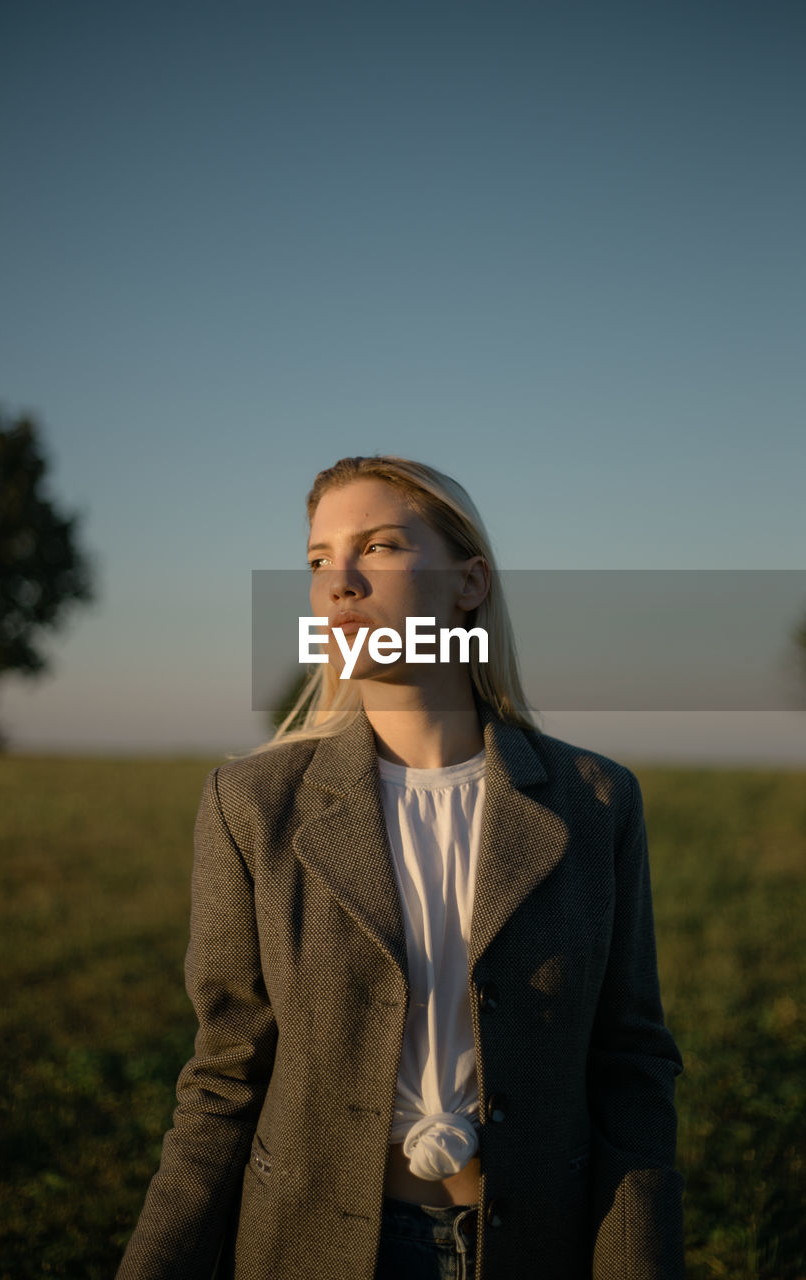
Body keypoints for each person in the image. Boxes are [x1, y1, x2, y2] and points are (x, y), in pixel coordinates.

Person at [115, 454, 685, 1280]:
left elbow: (630, 1066)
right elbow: (223, 1077)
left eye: (378, 546)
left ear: (468, 584)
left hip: (531, 1247)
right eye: (317, 561)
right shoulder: (251, 805)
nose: (338, 581)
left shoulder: (593, 803)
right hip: (310, 1248)